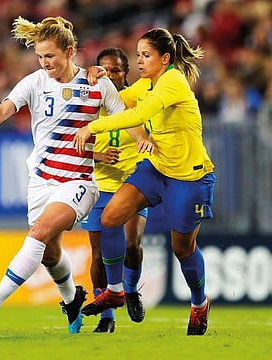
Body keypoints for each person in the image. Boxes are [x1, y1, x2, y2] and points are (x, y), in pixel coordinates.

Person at [0, 16, 147, 334]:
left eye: (50, 56)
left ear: (69, 51)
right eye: (40, 56)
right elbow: (1, 112)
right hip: (41, 180)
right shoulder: (34, 82)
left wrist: (141, 138)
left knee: (38, 233)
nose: (44, 62)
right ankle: (72, 298)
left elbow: (124, 116)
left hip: (78, 182)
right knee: (49, 252)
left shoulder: (96, 84)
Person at [74, 28, 215, 336]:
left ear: (165, 58)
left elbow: (141, 113)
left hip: (189, 176)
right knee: (110, 218)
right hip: (156, 169)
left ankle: (199, 303)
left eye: (146, 55)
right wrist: (89, 80)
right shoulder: (145, 83)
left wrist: (93, 127)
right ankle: (116, 290)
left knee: (182, 249)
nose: (140, 60)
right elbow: (113, 100)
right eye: (137, 54)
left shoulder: (173, 82)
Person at [80, 47, 150, 333]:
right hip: (99, 186)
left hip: (132, 184)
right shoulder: (89, 103)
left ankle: (130, 289)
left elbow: (150, 137)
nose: (110, 75)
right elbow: (74, 144)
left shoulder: (138, 102)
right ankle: (106, 315)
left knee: (131, 244)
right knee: (98, 255)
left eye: (117, 70)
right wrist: (99, 156)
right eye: (104, 70)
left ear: (126, 73)